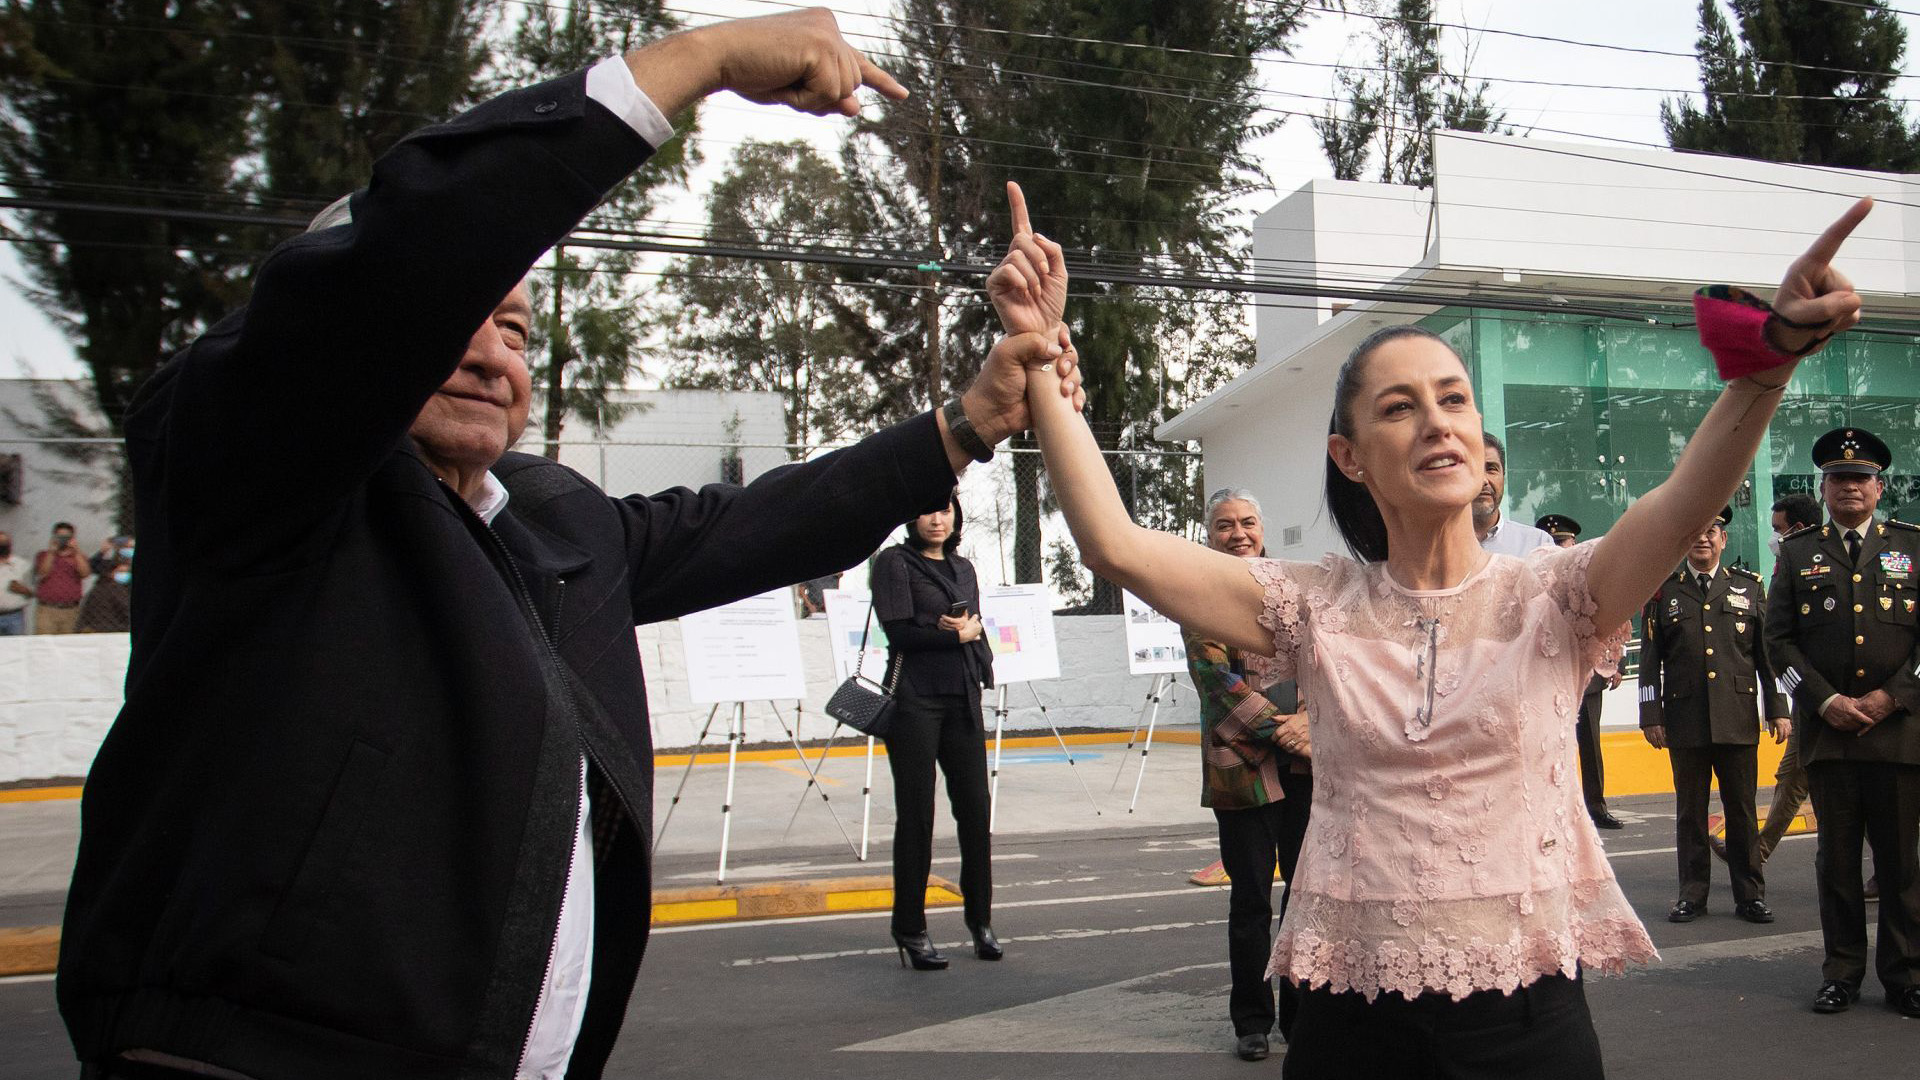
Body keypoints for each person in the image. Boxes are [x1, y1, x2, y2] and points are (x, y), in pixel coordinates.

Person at [56, 14, 1084, 1080]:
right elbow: (405, 258)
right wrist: (702, 61)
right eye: (456, 315)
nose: (490, 355)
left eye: (514, 328)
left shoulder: (552, 519)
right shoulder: (252, 461)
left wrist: (969, 421)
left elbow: (759, 524)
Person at [994, 176, 1869, 1075]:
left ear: (1480, 438)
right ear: (1349, 456)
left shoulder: (1558, 593)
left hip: (1527, 1022)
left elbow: (1683, 504)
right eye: (1399, 407)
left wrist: (1769, 364)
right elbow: (1115, 545)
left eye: (1453, 400)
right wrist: (1039, 357)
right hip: (1348, 1024)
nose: (1435, 424)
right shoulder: (1315, 604)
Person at [1766, 425, 1920, 1017]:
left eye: (1860, 478)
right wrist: (1823, 701)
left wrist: (1892, 698)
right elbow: (1777, 642)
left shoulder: (1912, 546)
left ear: (1879, 487)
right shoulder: (1797, 553)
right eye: (1838, 478)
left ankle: (1906, 975)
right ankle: (1841, 973)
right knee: (1836, 864)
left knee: (1901, 864)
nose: (1849, 486)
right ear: (1823, 488)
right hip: (1829, 737)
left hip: (1898, 734)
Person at [1183, 487, 1312, 1061]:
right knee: (1252, 901)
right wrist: (1283, 728)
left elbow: (1319, 661)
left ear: (1263, 528)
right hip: (1242, 773)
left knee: (1306, 897)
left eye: (1248, 522)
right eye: (1224, 525)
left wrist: (1308, 720)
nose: (1238, 533)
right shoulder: (1197, 596)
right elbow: (1216, 682)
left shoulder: (1291, 590)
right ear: (1209, 535)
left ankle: (1303, 1017)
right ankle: (1252, 1021)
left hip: (1306, 768)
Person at [1637, 505, 1790, 925]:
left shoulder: (1748, 587)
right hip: (1684, 718)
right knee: (1690, 813)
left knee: (1742, 811)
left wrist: (1777, 709)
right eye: (1696, 532)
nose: (1703, 539)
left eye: (1712, 532)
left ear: (1723, 539)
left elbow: (1767, 658)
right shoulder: (1663, 592)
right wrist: (1651, 714)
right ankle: (1692, 895)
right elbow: (1649, 661)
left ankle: (1750, 895)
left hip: (1736, 718)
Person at [869, 493, 998, 970]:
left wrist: (967, 631)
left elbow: (974, 627)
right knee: (917, 816)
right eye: (926, 510)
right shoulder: (894, 563)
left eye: (944, 510)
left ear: (956, 514)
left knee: (975, 812)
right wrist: (951, 635)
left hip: (963, 698)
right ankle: (910, 928)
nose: (937, 519)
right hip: (914, 702)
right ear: (911, 517)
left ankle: (980, 921)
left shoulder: (964, 568)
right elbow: (898, 633)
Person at [1727, 492, 1824, 867]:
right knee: (1795, 778)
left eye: (1777, 529)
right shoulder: (1792, 565)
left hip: (1827, 694)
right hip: (1808, 693)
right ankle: (1756, 852)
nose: (1773, 538)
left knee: (1806, 780)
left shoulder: (1817, 564)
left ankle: (1755, 853)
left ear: (1797, 529)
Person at [1539, 513, 1625, 830]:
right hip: (1546, 677)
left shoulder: (1589, 574)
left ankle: (1596, 807)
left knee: (1590, 745)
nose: (1560, 547)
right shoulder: (1538, 577)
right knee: (1548, 746)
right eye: (1554, 542)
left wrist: (1615, 664)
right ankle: (1555, 809)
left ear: (1574, 542)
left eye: (1564, 541)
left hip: (1587, 676)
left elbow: (1610, 615)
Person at [1474, 434, 1554, 555]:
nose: (1484, 480)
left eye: (1491, 469)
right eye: (1474, 470)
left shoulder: (1538, 543)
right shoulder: (1441, 544)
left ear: (1504, 477)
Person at [32, 521, 89, 634]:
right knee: (44, 641)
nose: (63, 540)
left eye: (67, 537)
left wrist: (76, 551)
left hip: (71, 609)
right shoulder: (43, 555)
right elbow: (42, 573)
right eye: (60, 536)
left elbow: (85, 574)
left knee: (68, 642)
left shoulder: (78, 557)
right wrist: (51, 552)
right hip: (47, 609)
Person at [75, 552, 133, 634]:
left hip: (97, 629)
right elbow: (127, 610)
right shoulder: (115, 589)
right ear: (110, 573)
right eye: (120, 572)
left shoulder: (97, 588)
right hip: (114, 629)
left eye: (126, 572)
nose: (124, 575)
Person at [0, 531, 31, 635]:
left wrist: (22, 589)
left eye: (4, 542)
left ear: (10, 544)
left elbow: (33, 591)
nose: (2, 545)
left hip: (14, 616)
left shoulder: (22, 564)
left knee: (17, 644)